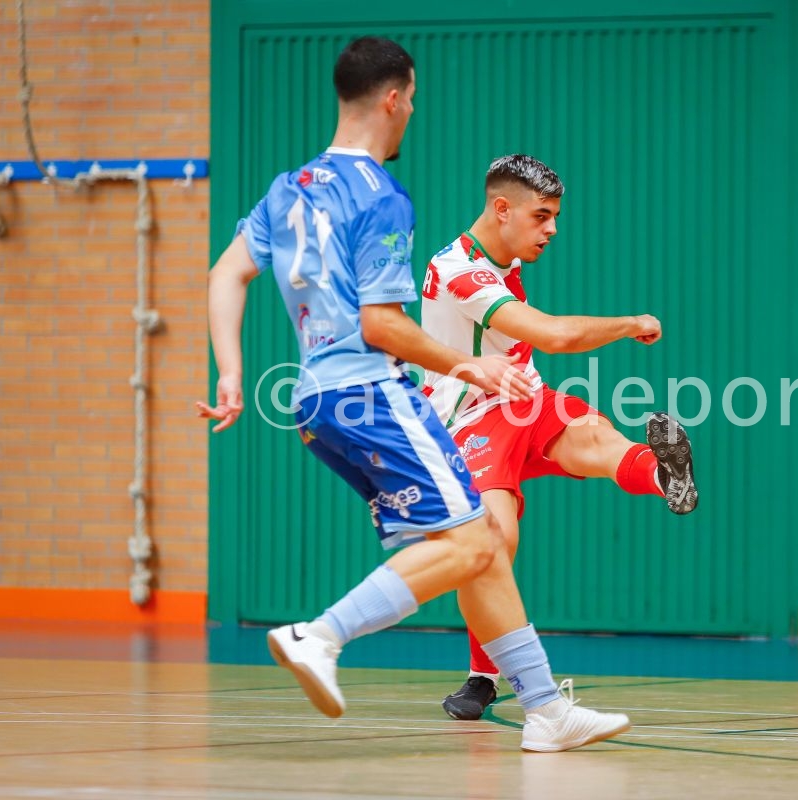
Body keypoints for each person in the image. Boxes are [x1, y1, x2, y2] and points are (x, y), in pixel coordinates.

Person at [196, 37, 630, 753]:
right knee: (472, 541)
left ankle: (546, 710)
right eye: (414, 100)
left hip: (314, 403)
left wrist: (231, 371)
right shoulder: (381, 198)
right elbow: (382, 325)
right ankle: (320, 635)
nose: (413, 113)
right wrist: (469, 367)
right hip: (372, 393)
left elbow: (225, 276)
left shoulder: (287, 189)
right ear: (393, 99)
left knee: (478, 543)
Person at [420, 154, 699, 721]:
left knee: (596, 436)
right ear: (502, 209)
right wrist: (631, 323)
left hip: (526, 398)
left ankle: (664, 473)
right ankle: (486, 676)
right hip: (470, 417)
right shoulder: (459, 270)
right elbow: (550, 334)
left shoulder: (506, 259)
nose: (552, 229)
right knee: (493, 543)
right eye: (542, 216)